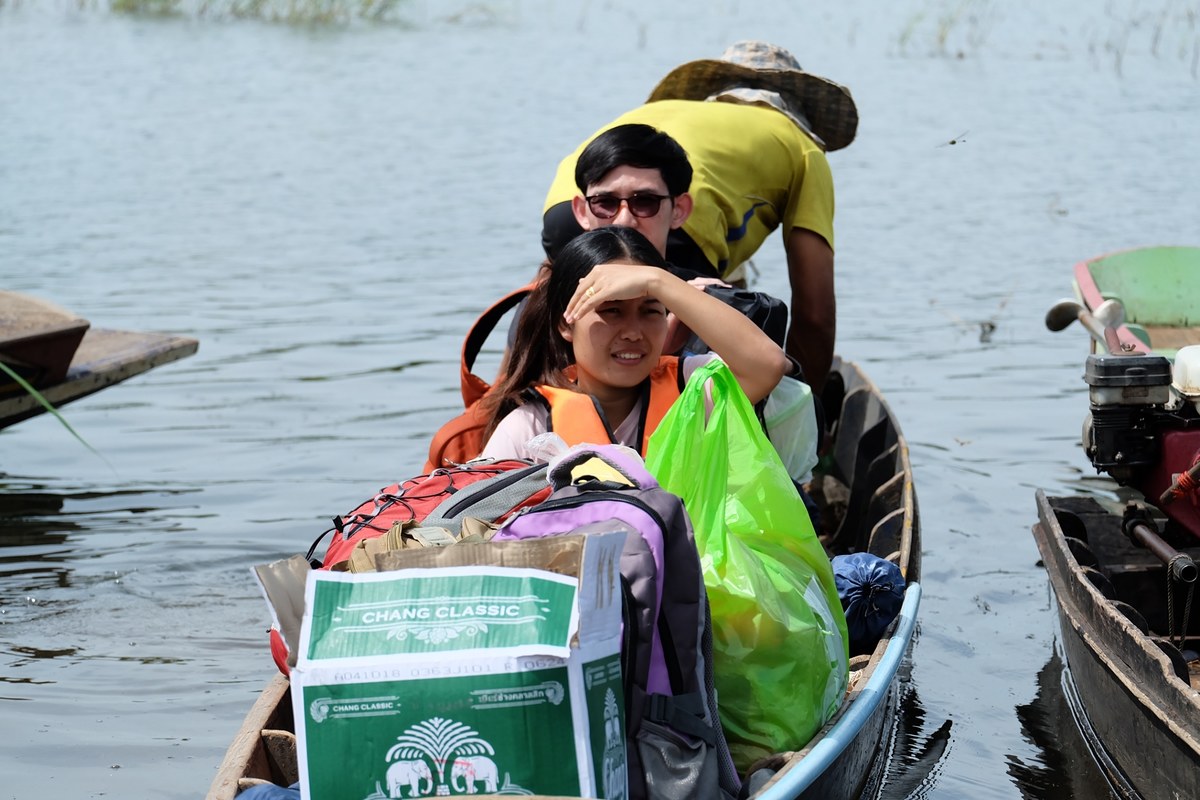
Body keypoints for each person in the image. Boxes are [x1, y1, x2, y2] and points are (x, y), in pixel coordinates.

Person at [542, 40, 857, 394]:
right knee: (680, 330)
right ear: (795, 110)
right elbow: (814, 313)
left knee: (556, 303)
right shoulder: (802, 147)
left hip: (572, 199)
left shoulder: (674, 112)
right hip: (660, 209)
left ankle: (510, 404)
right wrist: (804, 404)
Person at [479, 226, 790, 461]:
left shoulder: (690, 389)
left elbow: (768, 365)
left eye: (650, 309)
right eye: (611, 310)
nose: (632, 332)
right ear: (565, 323)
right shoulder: (529, 427)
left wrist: (659, 281)